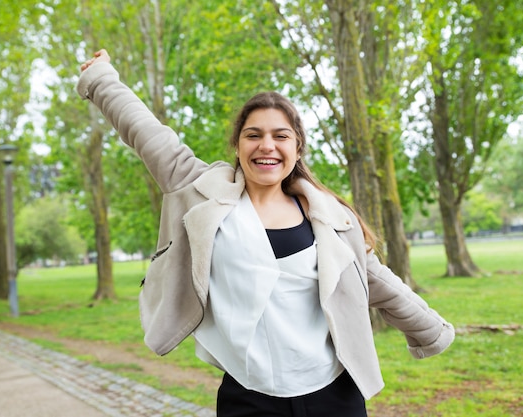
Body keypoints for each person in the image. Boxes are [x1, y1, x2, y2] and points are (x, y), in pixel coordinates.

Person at [78, 49, 455, 417]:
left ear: (297, 147)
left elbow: (375, 280)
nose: (267, 146)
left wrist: (430, 329)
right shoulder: (200, 192)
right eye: (253, 135)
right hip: (248, 397)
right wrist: (102, 78)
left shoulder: (329, 218)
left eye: (281, 136)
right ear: (238, 146)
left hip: (334, 393)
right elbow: (146, 132)